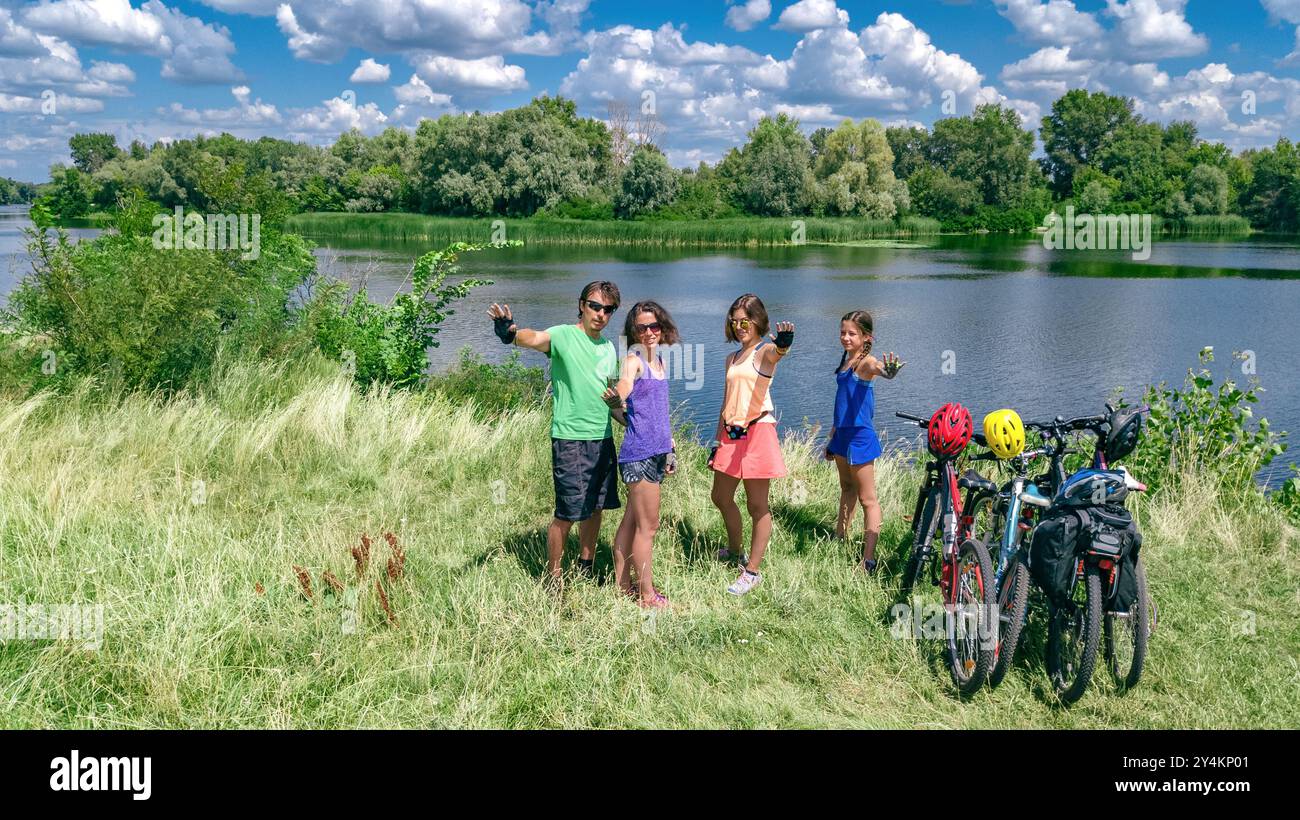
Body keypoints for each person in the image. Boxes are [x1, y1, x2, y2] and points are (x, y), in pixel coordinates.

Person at [487, 282, 622, 589]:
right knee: (568, 512)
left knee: (596, 507)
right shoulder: (563, 335)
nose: (601, 314)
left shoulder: (608, 347)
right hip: (571, 439)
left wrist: (630, 419)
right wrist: (508, 332)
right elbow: (533, 338)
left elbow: (610, 398)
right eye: (595, 306)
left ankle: (586, 565)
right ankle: (554, 577)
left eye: (608, 309)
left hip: (602, 438)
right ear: (582, 305)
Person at [708, 294, 794, 596]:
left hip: (757, 431)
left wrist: (783, 344)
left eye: (745, 320)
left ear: (758, 321)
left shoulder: (762, 352)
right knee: (720, 496)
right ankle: (735, 550)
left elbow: (776, 353)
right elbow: (726, 401)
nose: (740, 326)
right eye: (735, 321)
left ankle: (752, 571)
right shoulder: (731, 358)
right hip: (732, 433)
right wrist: (718, 440)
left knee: (757, 505)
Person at [603, 301, 679, 609]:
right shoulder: (633, 361)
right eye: (641, 328)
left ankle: (623, 586)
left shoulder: (659, 361)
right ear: (632, 331)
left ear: (662, 328)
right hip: (640, 455)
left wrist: (670, 448)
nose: (648, 332)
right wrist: (617, 396)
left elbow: (655, 414)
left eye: (654, 326)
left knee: (631, 523)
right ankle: (648, 596)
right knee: (648, 528)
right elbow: (624, 384)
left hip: (657, 452)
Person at [823, 310, 904, 575]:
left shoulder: (866, 363)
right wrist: (832, 437)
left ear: (866, 337)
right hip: (842, 436)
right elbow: (841, 402)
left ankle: (868, 559)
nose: (845, 337)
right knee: (846, 488)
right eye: (842, 332)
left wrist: (889, 371)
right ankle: (840, 538)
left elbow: (883, 371)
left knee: (868, 499)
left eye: (852, 333)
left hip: (859, 437)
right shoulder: (847, 359)